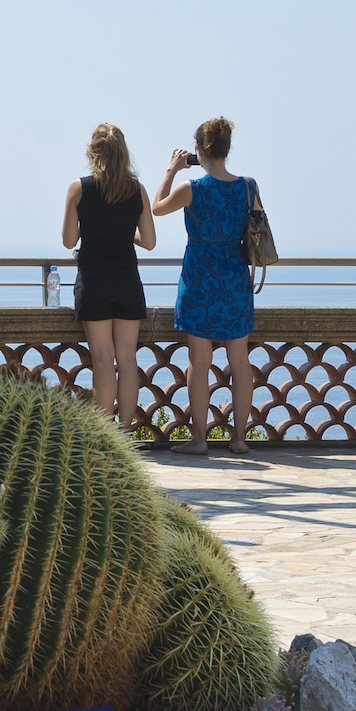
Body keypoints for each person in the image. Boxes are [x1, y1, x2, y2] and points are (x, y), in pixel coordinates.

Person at [152, 116, 259, 456]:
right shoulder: (248, 186)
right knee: (239, 362)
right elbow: (256, 225)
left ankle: (199, 440)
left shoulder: (191, 189)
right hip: (234, 277)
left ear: (198, 150)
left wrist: (171, 169)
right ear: (226, 150)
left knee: (199, 362)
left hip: (199, 276)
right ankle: (239, 438)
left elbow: (156, 208)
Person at [62, 123, 154, 427]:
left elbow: (68, 241)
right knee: (127, 359)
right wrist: (125, 233)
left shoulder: (79, 188)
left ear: (93, 152)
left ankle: (105, 435)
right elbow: (150, 242)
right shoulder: (136, 189)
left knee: (102, 358)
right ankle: (126, 431)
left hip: (93, 278)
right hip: (126, 277)